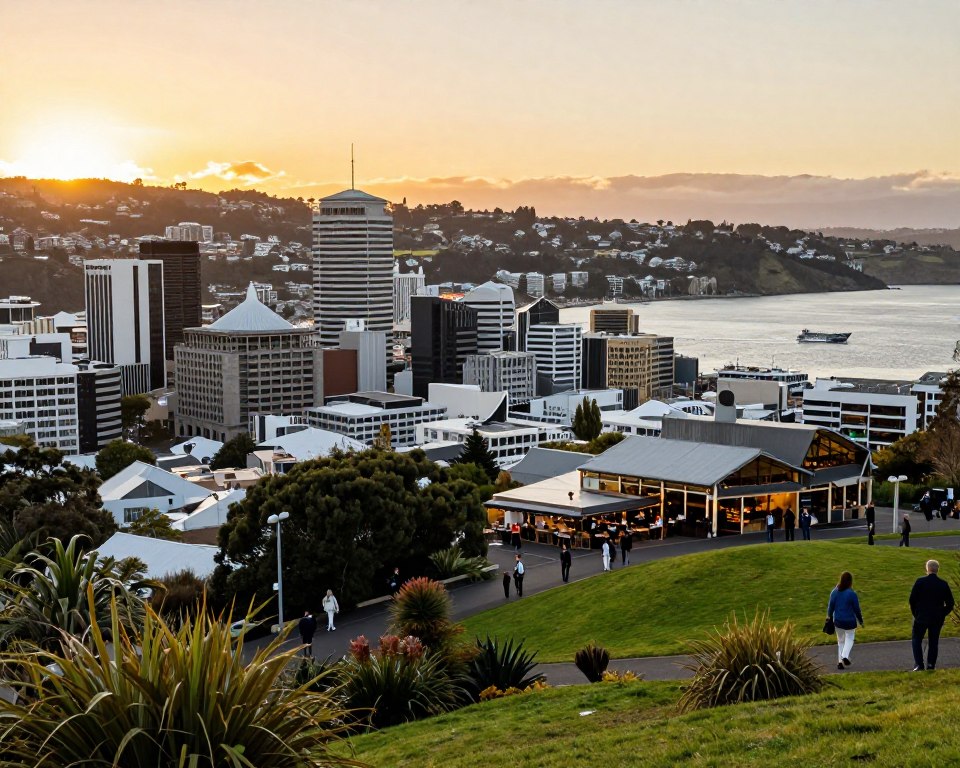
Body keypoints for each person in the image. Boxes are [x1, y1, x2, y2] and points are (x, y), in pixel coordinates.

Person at [909, 559, 955, 671]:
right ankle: (931, 665)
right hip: (936, 617)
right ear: (937, 569)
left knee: (916, 639)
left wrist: (916, 613)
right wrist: (942, 613)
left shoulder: (920, 582)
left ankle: (919, 664)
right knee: (933, 641)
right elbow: (950, 603)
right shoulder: (943, 584)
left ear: (927, 568)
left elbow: (912, 600)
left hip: (922, 616)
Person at [827, 571, 864, 670]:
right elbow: (857, 609)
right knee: (850, 638)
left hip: (838, 621)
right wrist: (860, 620)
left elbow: (830, 607)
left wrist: (829, 617)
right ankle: (844, 656)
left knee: (840, 641)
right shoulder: (852, 594)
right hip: (850, 621)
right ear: (850, 582)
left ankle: (840, 663)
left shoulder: (834, 592)